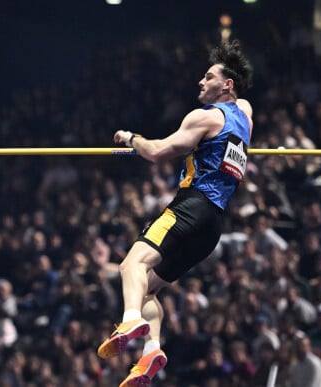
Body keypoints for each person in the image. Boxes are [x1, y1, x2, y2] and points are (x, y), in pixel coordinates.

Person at [96, 39, 253, 387]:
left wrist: (131, 136)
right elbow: (241, 99)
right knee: (147, 288)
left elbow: (156, 152)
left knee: (130, 266)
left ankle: (131, 320)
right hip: (212, 227)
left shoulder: (203, 118)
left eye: (208, 76)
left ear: (226, 84)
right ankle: (152, 349)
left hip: (190, 207)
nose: (200, 81)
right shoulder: (245, 117)